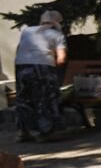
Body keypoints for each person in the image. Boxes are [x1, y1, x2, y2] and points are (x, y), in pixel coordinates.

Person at [13, 11, 66, 141]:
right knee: (45, 98)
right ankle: (46, 132)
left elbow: (19, 48)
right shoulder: (57, 34)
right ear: (57, 22)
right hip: (43, 67)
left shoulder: (27, 31)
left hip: (21, 65)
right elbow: (61, 59)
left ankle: (23, 132)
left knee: (24, 98)